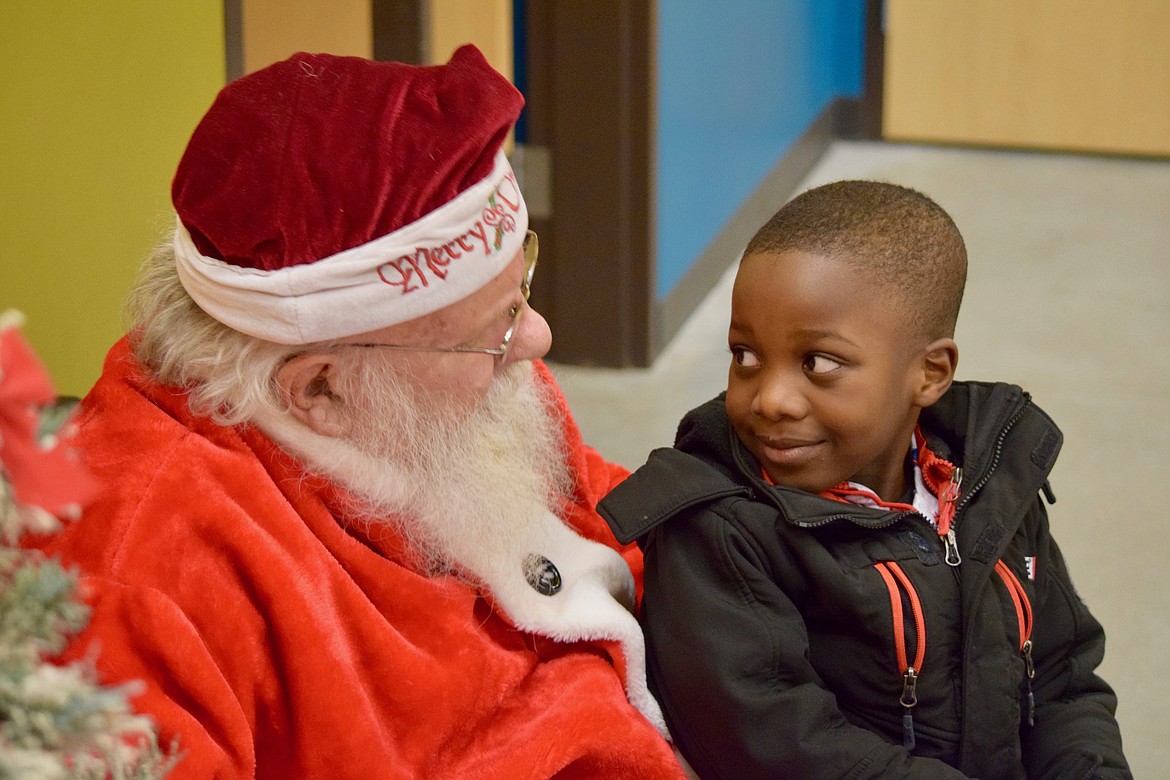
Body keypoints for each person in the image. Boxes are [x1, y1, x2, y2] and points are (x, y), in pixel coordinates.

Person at [27, 46, 687, 779]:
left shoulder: (447, 378)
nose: (536, 338)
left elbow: (600, 511)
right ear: (318, 392)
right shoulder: (136, 579)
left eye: (518, 290)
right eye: (497, 326)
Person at [599, 180, 1131, 779]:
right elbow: (780, 747)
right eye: (745, 355)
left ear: (929, 374)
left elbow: (1063, 680)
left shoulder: (992, 480)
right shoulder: (715, 529)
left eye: (818, 364)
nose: (770, 399)